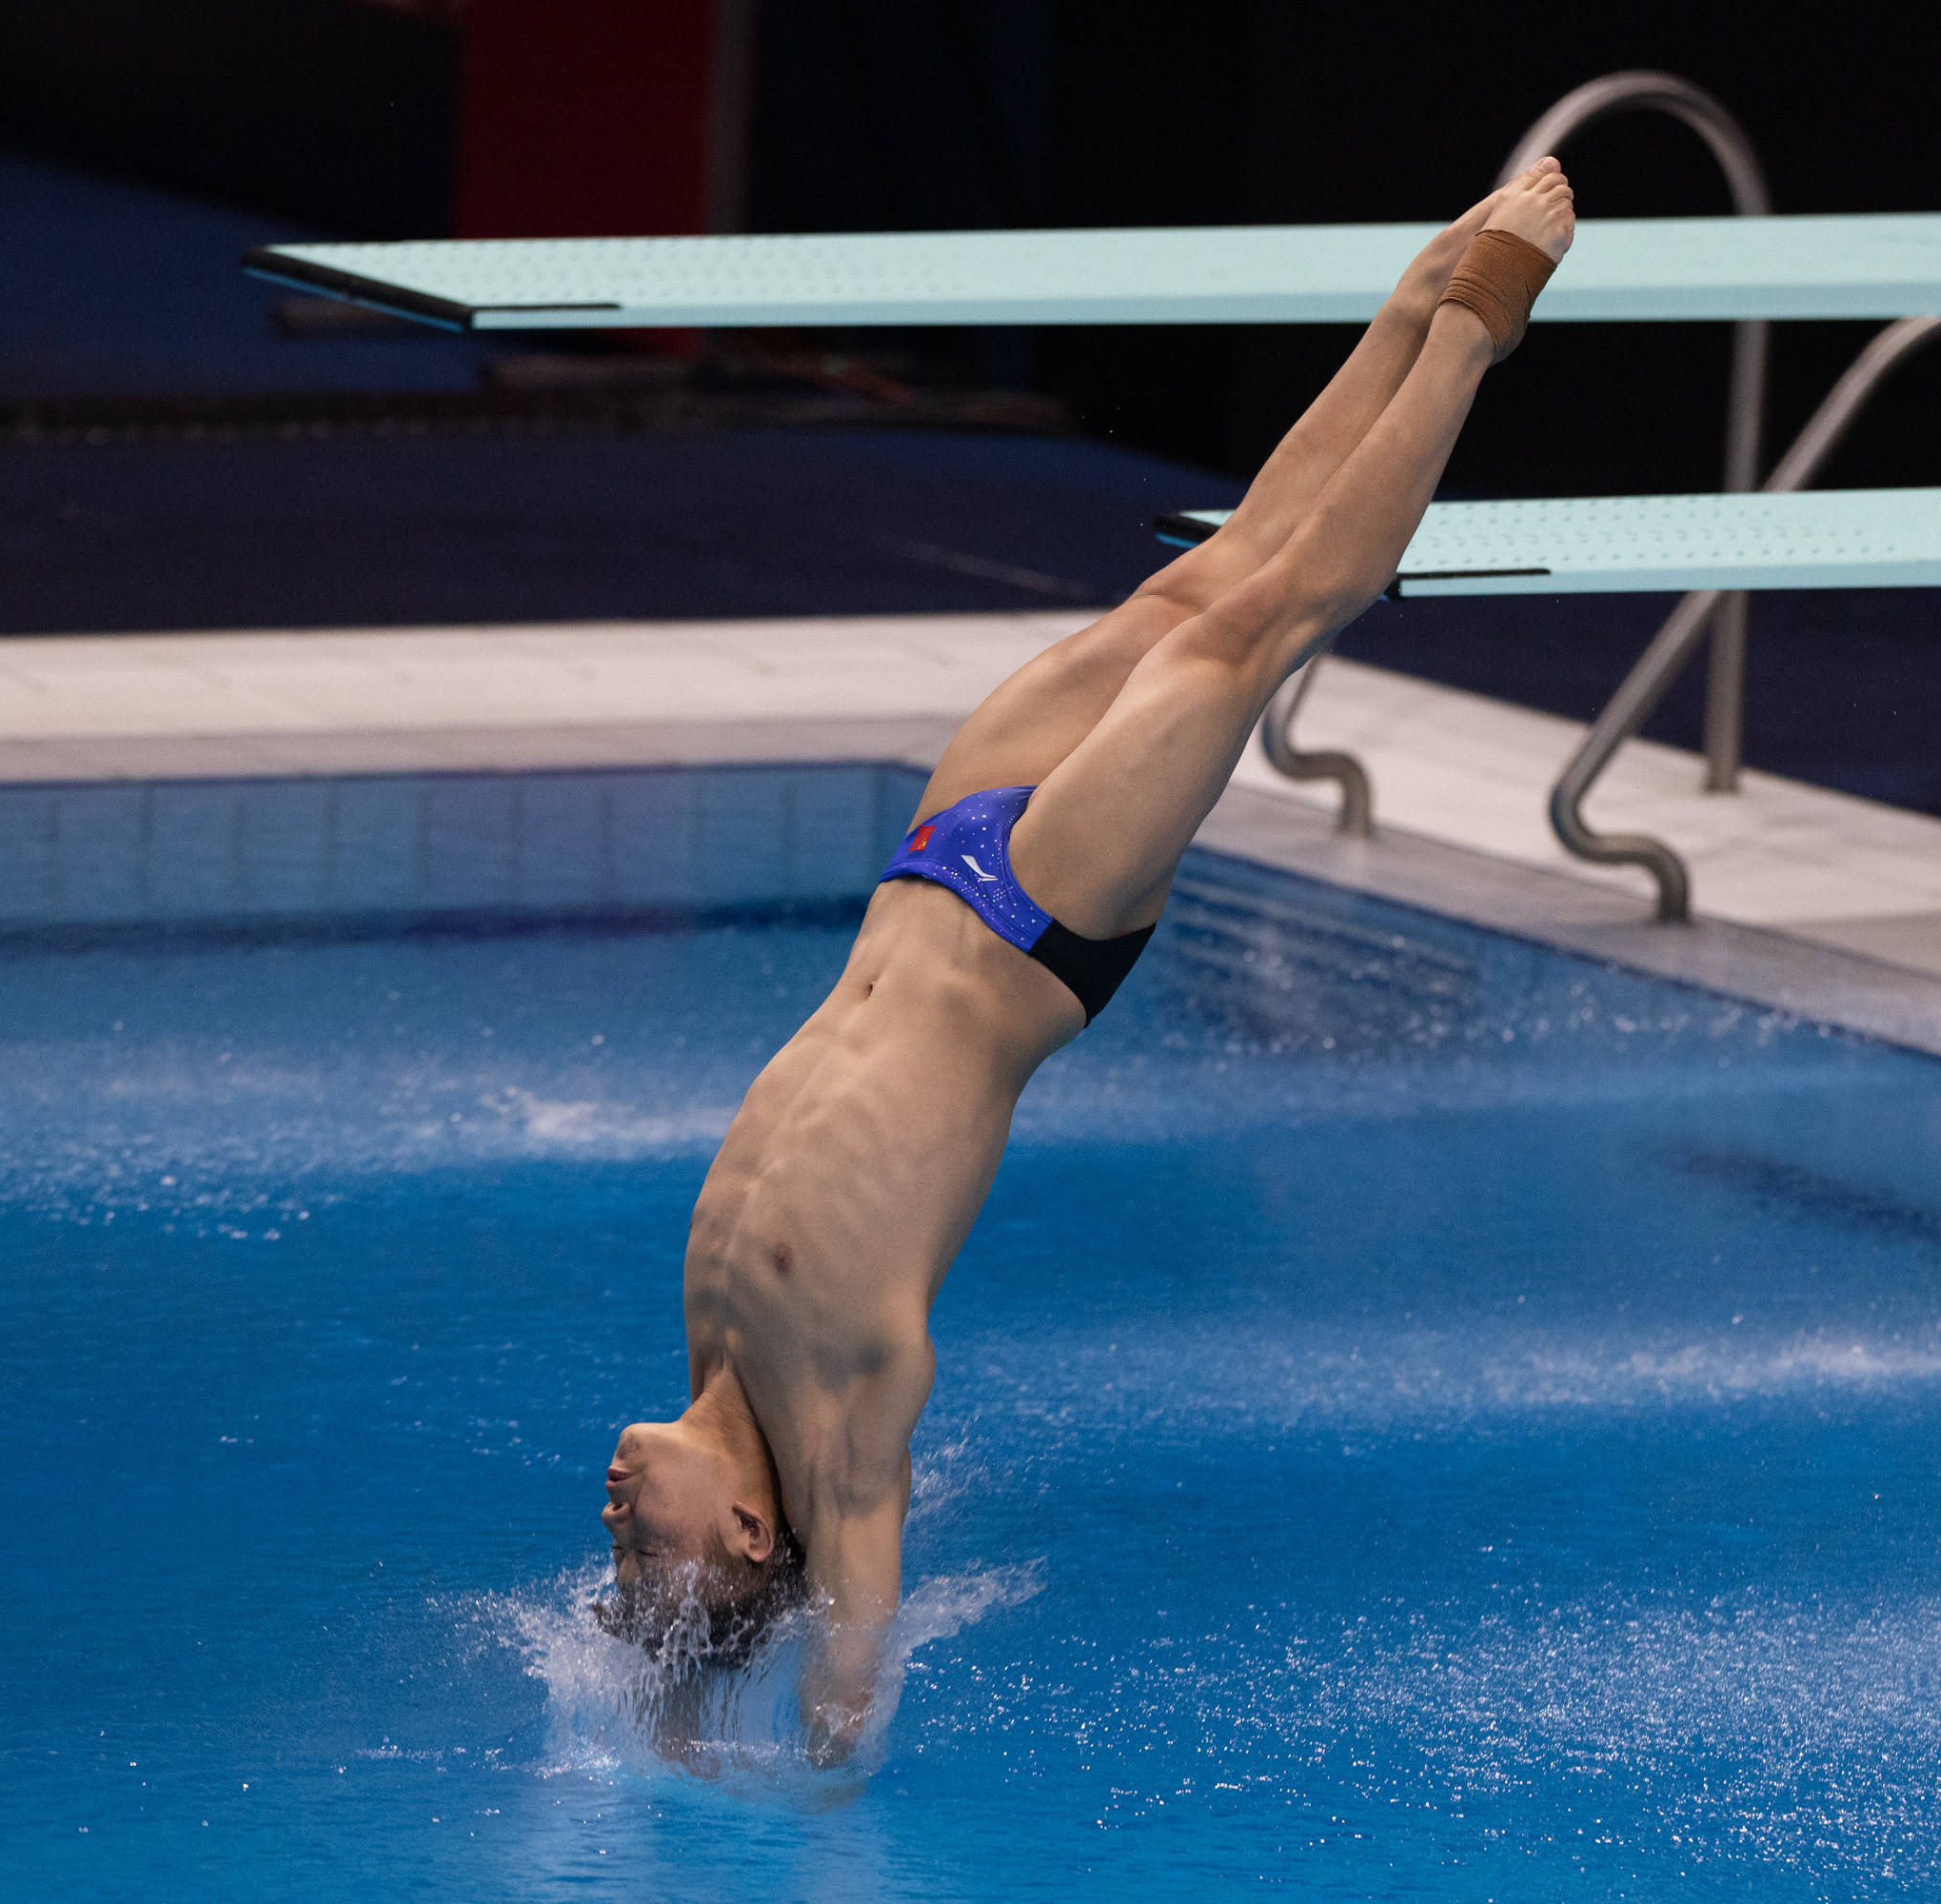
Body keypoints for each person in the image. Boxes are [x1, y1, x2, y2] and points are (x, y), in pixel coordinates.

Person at [596, 158, 1576, 1761]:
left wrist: (677, 1730)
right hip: (1034, 934)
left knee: (1194, 581)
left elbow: (683, 1685)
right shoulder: (844, 1426)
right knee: (1254, 630)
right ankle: (1482, 320)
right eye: (648, 1549)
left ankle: (1414, 298)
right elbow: (855, 1646)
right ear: (753, 1538)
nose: (617, 1514)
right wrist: (825, 1798)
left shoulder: (716, 1338)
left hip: (932, 869)